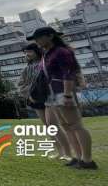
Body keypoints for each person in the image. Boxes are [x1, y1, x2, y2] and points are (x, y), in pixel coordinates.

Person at [28, 26, 98, 170]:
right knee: (67, 127)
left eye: (39, 38)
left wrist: (67, 95)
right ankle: (77, 158)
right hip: (52, 95)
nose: (37, 41)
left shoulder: (61, 52)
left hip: (62, 93)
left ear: (50, 36)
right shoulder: (47, 54)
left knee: (76, 126)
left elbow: (68, 73)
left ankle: (87, 160)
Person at [18, 43, 72, 161]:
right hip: (35, 99)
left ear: (36, 51)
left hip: (50, 97)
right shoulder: (27, 68)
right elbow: (21, 84)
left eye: (29, 51)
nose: (27, 54)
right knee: (48, 127)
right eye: (25, 52)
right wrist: (29, 94)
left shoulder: (46, 62)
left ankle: (68, 152)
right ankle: (60, 151)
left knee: (54, 125)